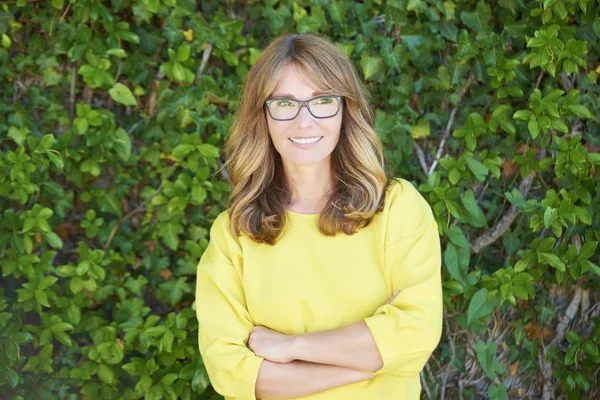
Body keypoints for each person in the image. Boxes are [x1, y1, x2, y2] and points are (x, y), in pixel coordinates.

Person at [194, 33, 443, 400]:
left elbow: (416, 334)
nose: (304, 121)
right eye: (284, 103)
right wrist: (370, 357)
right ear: (261, 115)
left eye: (323, 101)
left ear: (346, 108)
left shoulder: (396, 209)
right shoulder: (234, 234)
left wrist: (291, 348)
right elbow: (231, 372)